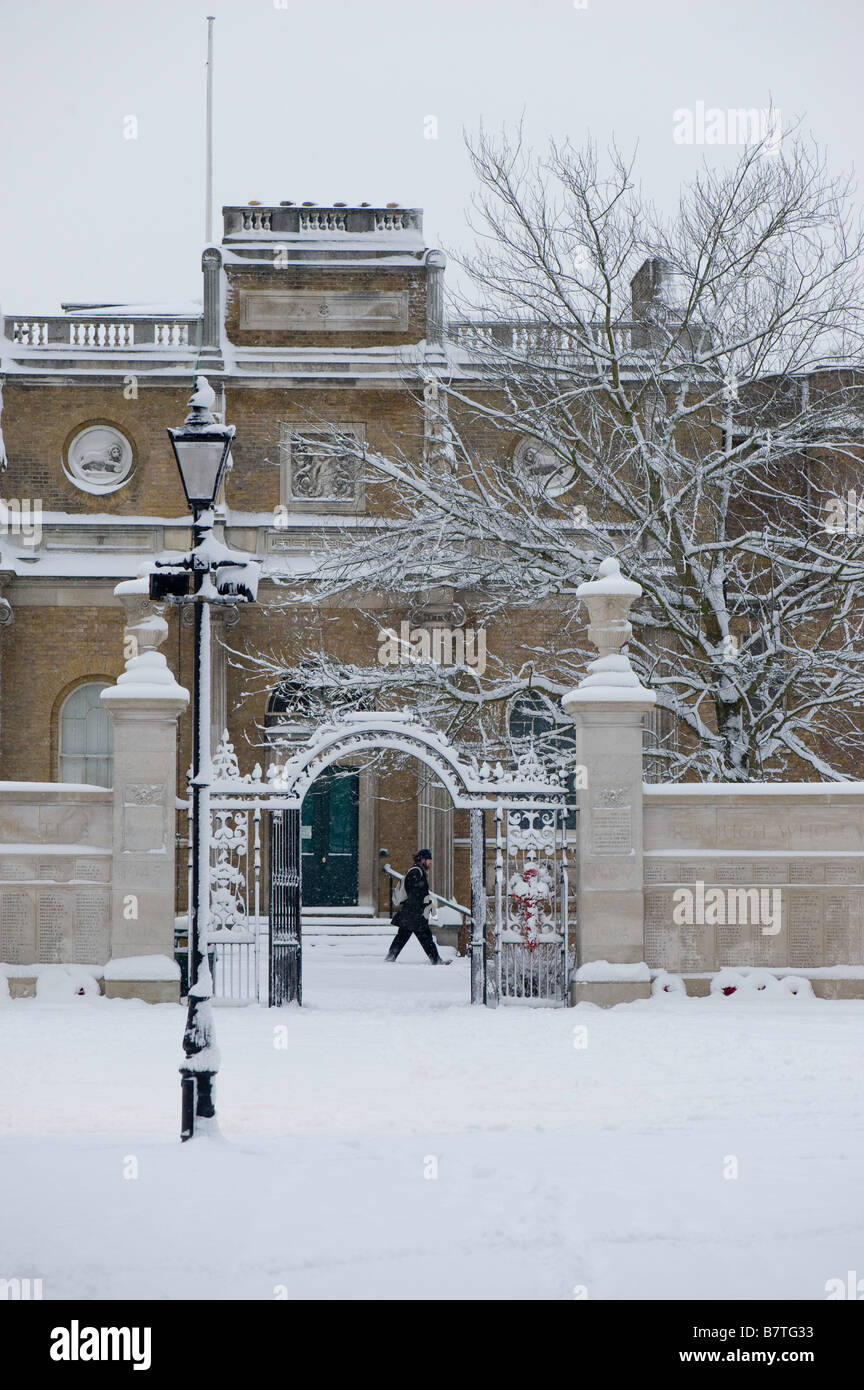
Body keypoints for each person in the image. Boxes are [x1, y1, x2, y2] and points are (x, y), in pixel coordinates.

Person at [385, 849, 448, 964]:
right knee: (424, 938)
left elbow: (420, 894)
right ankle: (436, 960)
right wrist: (422, 909)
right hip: (415, 913)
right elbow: (415, 894)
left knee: (404, 937)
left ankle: (390, 957)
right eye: (429, 860)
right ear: (422, 859)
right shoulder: (416, 872)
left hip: (412, 913)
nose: (430, 863)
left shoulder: (417, 871)